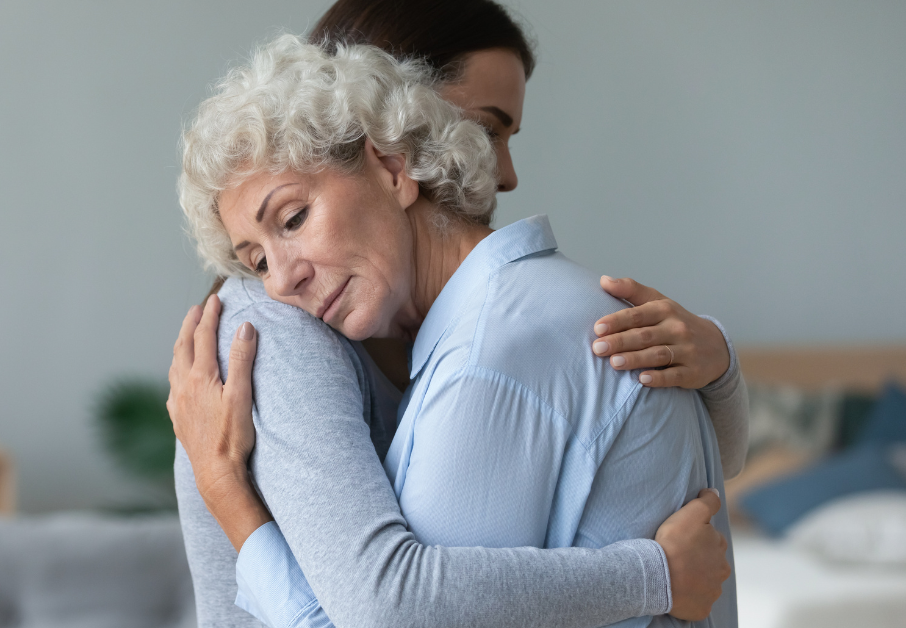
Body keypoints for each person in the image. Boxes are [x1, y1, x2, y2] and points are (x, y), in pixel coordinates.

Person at [170, 32, 740, 628]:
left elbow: (390, 609)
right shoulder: (539, 306)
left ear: (393, 168)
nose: (281, 282)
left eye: (293, 218)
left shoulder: (489, 353)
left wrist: (654, 578)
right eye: (256, 261)